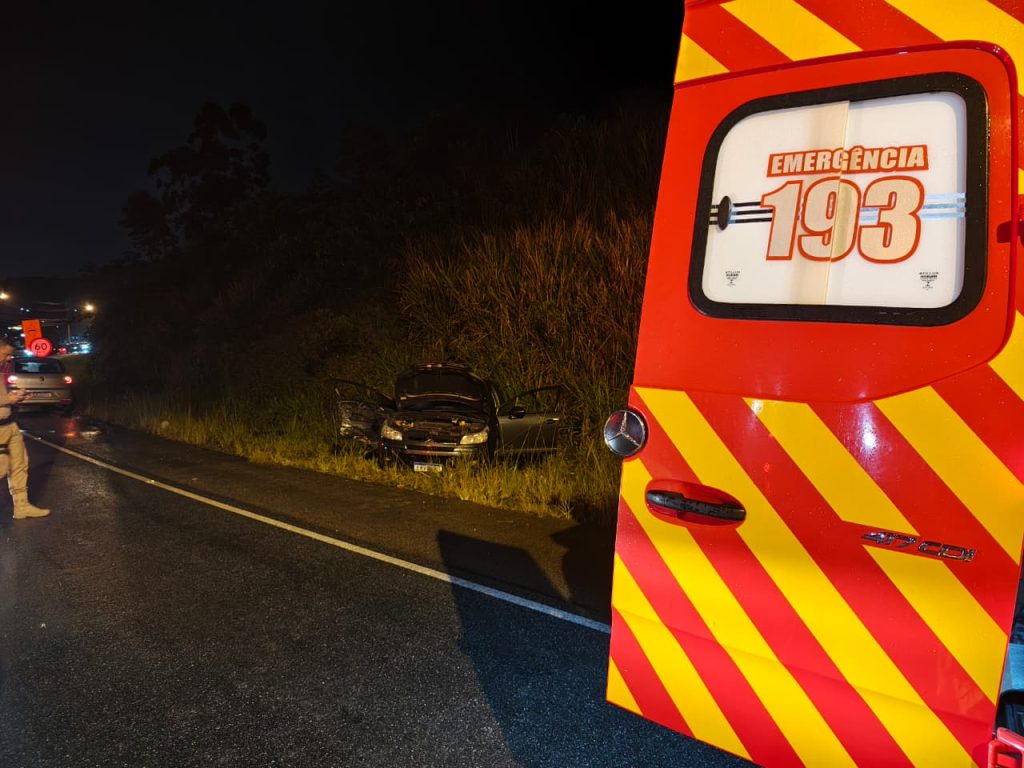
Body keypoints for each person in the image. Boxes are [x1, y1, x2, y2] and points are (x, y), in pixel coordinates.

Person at [0, 341, 50, 519]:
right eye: (5, 354)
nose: (8, 358)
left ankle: (21, 506)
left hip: (10, 424)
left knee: (19, 465)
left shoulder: (1, 370)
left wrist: (16, 397)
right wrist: (10, 398)